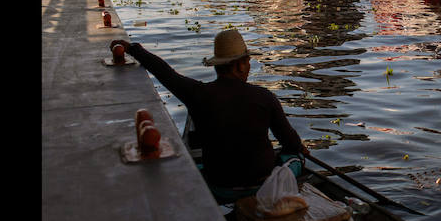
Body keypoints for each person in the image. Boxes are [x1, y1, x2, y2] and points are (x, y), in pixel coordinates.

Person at [109, 29, 309, 201]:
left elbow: (165, 73)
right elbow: (290, 142)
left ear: (216, 65)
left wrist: (133, 49)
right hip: (262, 185)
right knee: (295, 157)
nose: (248, 66)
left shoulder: (198, 94)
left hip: (219, 187)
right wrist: (300, 149)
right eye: (247, 61)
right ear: (240, 65)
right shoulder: (265, 97)